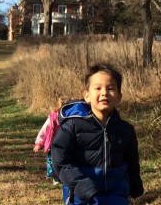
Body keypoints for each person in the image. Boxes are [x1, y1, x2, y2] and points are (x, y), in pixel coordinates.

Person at [51, 64, 144, 205]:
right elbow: (60, 159)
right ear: (86, 96)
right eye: (98, 88)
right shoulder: (73, 126)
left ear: (119, 96)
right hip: (82, 197)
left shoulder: (126, 130)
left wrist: (135, 187)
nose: (104, 93)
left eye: (111, 88)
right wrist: (81, 185)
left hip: (117, 196)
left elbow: (132, 162)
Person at [34, 97, 67, 186]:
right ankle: (55, 178)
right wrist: (39, 143)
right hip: (53, 144)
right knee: (52, 161)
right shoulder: (52, 118)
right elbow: (44, 130)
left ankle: (62, 177)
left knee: (64, 161)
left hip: (65, 144)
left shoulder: (70, 119)